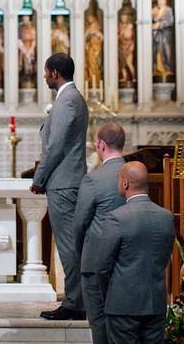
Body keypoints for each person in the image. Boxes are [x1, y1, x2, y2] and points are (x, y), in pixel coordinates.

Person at [31, 52, 88, 321]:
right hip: (66, 181)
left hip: (64, 183)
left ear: (55, 73)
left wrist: (39, 178)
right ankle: (79, 301)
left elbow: (56, 145)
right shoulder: (69, 98)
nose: (43, 76)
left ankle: (76, 303)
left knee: (68, 245)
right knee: (70, 244)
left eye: (45, 71)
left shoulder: (67, 100)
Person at [96, 161, 175, 344]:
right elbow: (165, 257)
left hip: (122, 306)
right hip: (155, 303)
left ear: (125, 184)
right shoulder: (166, 216)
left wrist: (110, 296)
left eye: (118, 180)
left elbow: (102, 266)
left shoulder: (116, 217)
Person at [73, 123, 126, 344]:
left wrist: (82, 253)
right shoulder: (135, 174)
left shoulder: (93, 179)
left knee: (99, 321)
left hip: (95, 260)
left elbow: (79, 224)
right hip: (125, 261)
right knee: (122, 322)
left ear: (101, 145)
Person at [151, 0, 174, 76]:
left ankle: (166, 68)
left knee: (166, 50)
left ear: (165, 1)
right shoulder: (155, 10)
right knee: (156, 50)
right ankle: (157, 68)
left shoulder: (168, 9)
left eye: (162, 0)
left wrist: (160, 25)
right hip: (156, 34)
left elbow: (171, 21)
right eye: (159, 1)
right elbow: (155, 19)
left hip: (165, 33)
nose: (160, 2)